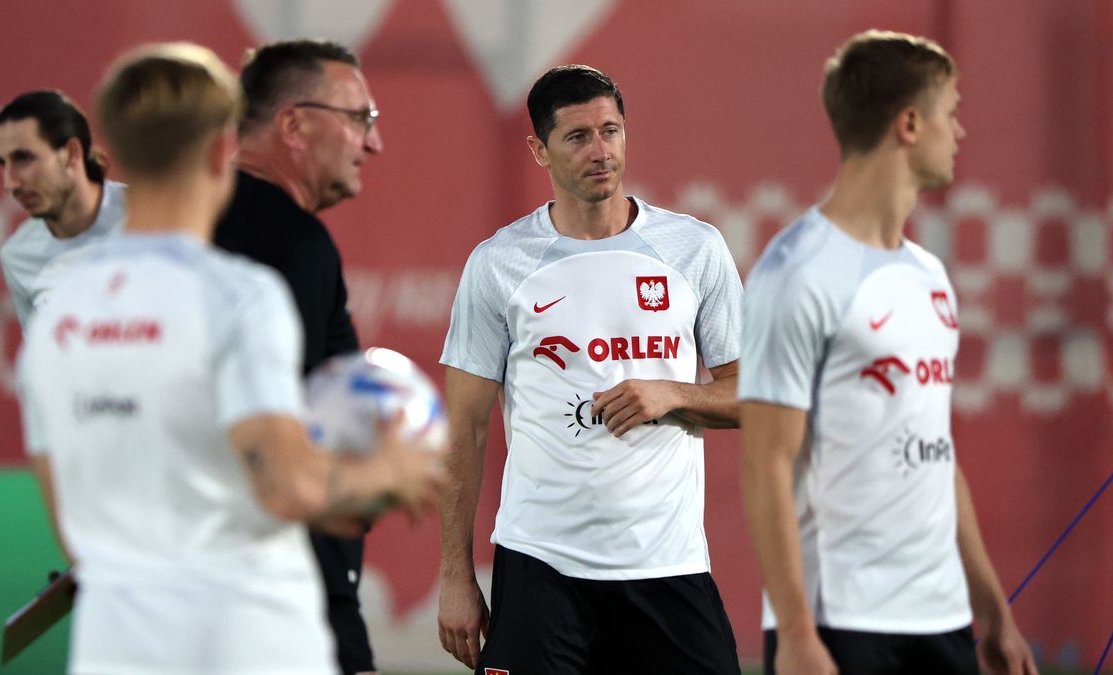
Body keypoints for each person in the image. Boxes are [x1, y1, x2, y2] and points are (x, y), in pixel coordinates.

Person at [15, 42, 439, 675]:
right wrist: (390, 471)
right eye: (360, 120)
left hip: (116, 650)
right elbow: (288, 484)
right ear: (222, 149)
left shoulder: (57, 316)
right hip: (249, 641)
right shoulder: (238, 297)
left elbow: (73, 525)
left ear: (115, 158)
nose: (370, 142)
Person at [738, 30, 1038, 675]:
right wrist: (795, 633)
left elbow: (938, 456)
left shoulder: (930, 274)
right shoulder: (796, 273)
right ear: (908, 124)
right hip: (841, 623)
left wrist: (993, 614)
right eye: (950, 113)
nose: (958, 132)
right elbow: (766, 466)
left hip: (941, 619)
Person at [437, 64, 744, 674]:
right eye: (578, 136)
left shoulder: (695, 248)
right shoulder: (499, 264)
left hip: (667, 566)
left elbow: (756, 396)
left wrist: (671, 393)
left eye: (611, 131)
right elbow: (464, 429)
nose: (601, 152)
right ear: (539, 151)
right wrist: (455, 576)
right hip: (541, 567)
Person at [212, 39, 383, 675]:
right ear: (294, 124)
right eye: (360, 119)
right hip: (283, 603)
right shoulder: (294, 244)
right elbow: (278, 447)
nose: (373, 143)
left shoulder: (176, 232)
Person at [0, 89, 126, 328]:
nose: (9, 183)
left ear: (71, 153)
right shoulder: (17, 256)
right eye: (3, 164)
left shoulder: (155, 217)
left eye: (23, 159)